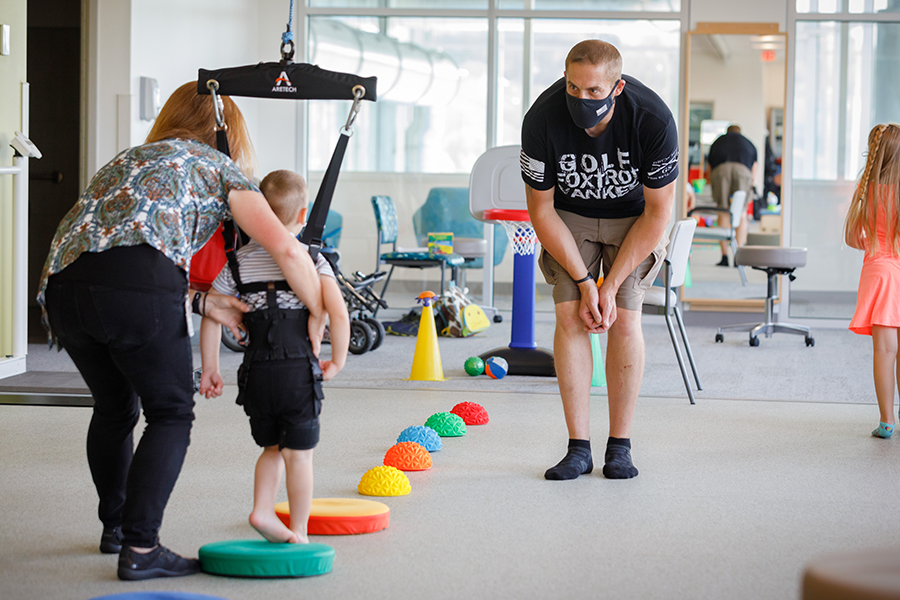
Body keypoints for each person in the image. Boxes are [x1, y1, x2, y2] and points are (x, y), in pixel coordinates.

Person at [38, 83, 325, 580]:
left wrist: (204, 300)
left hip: (63, 290)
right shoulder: (221, 168)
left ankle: (117, 529)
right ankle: (142, 548)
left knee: (113, 407)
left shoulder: (129, 159)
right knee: (170, 411)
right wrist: (320, 312)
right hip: (133, 288)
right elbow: (288, 249)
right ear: (228, 130)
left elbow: (117, 253)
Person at [521, 40, 678, 480]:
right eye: (573, 87)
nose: (581, 99)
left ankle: (620, 447)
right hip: (568, 216)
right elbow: (541, 211)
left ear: (617, 87)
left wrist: (609, 286)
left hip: (634, 218)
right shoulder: (541, 119)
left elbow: (658, 213)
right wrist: (585, 281)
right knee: (571, 314)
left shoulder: (652, 120)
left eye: (593, 92)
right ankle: (578, 448)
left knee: (623, 316)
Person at [198, 169, 350, 544]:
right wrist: (339, 359)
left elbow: (212, 313)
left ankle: (263, 509)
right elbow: (338, 311)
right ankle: (299, 530)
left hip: (255, 374)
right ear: (303, 217)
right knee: (299, 455)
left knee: (270, 448)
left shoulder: (236, 263)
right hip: (297, 372)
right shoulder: (311, 259)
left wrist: (211, 369)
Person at [845, 123, 900, 439]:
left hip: (878, 273)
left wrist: (876, 245)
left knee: (884, 350)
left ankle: (886, 421)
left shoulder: (866, 189)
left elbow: (854, 238)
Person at [706, 124, 757, 266]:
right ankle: (738, 257)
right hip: (743, 171)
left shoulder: (718, 141)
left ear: (727, 132)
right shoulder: (748, 143)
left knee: (723, 211)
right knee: (741, 212)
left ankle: (724, 257)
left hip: (721, 171)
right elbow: (754, 167)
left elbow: (709, 166)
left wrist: (712, 182)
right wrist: (751, 182)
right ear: (739, 133)